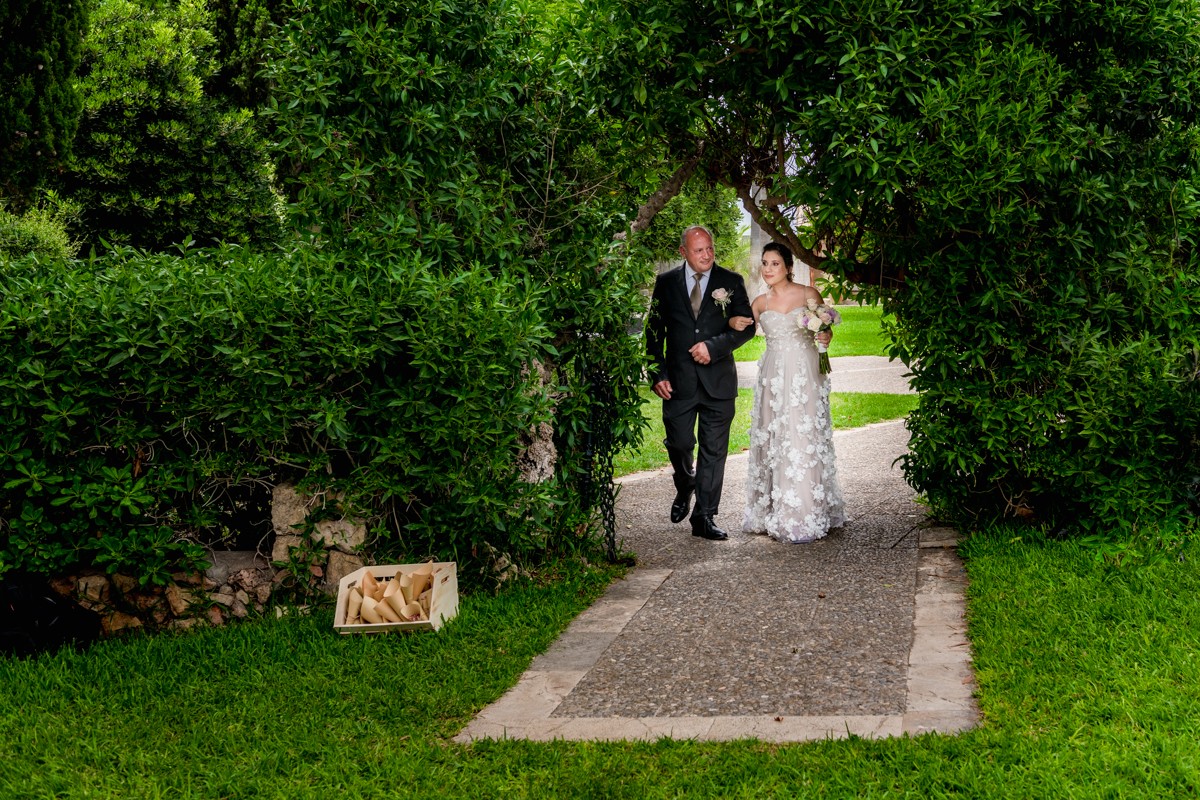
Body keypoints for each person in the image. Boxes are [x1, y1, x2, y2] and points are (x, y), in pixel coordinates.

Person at [727, 241, 847, 543]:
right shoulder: (759, 302)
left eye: (774, 264)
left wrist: (826, 334)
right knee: (773, 435)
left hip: (804, 373)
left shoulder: (808, 295)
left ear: (788, 267)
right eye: (765, 263)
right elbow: (740, 331)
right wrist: (730, 320)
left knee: (801, 434)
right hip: (772, 375)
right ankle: (770, 509)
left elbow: (825, 327)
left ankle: (806, 510)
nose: (768, 269)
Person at [646, 225, 756, 541]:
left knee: (714, 450)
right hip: (678, 383)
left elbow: (746, 327)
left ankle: (704, 517)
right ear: (683, 253)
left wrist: (715, 346)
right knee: (679, 443)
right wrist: (658, 374)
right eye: (699, 250)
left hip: (718, 383)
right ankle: (685, 483)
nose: (706, 255)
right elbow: (653, 333)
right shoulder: (666, 284)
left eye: (709, 248)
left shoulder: (730, 281)